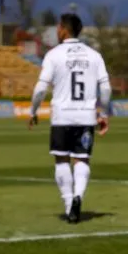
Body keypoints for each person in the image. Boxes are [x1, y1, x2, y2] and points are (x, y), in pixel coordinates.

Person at [29, 13, 111, 224]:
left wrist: (33, 111)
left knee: (61, 159)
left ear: (64, 29)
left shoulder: (54, 54)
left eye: (58, 27)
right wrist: (103, 113)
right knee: (82, 159)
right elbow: (106, 88)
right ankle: (78, 197)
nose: (57, 31)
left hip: (62, 116)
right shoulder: (94, 55)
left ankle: (68, 206)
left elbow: (40, 88)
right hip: (86, 116)